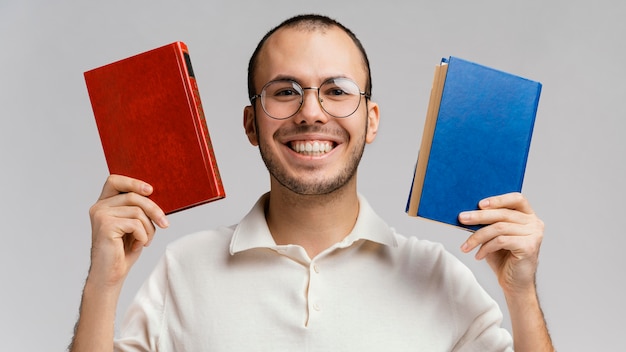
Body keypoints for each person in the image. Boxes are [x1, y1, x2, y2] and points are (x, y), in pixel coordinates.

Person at [70, 14, 554, 351]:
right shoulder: (183, 271)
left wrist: (521, 293)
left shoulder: (436, 276)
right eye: (285, 92)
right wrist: (102, 285)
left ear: (371, 120)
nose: (311, 113)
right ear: (249, 124)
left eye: (337, 91)